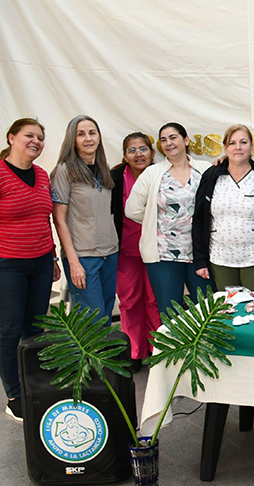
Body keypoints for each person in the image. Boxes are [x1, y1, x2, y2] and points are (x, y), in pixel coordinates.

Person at [0, 118, 61, 421]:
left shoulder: (42, 175)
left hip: (40, 263)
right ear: (12, 138)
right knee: (9, 331)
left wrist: (52, 258)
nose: (36, 141)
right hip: (4, 266)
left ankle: (34, 385)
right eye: (29, 135)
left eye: (40, 137)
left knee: (35, 329)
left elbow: (43, 220)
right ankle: (14, 395)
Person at [125, 122, 213, 316]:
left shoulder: (205, 169)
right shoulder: (153, 173)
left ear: (186, 140)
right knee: (170, 313)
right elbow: (132, 210)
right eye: (163, 140)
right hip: (163, 255)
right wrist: (158, 220)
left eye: (173, 137)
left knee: (208, 310)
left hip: (200, 253)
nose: (168, 143)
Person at [193, 124, 254, 291]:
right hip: (219, 259)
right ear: (225, 147)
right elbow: (199, 219)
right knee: (228, 306)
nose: (238, 147)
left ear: (251, 147)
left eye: (243, 142)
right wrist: (199, 259)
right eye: (232, 143)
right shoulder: (211, 176)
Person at [51, 115, 119, 325]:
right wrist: (73, 262)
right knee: (93, 319)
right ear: (72, 140)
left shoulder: (103, 168)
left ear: (99, 137)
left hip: (110, 252)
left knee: (106, 314)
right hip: (83, 256)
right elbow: (59, 220)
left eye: (92, 133)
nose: (88, 138)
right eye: (81, 134)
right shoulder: (64, 171)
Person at [110, 132, 161, 370]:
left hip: (156, 250)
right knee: (129, 301)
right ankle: (134, 351)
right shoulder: (115, 178)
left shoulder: (162, 174)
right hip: (126, 251)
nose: (138, 154)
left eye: (143, 149)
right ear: (124, 156)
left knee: (154, 299)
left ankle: (157, 349)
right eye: (132, 150)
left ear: (152, 152)